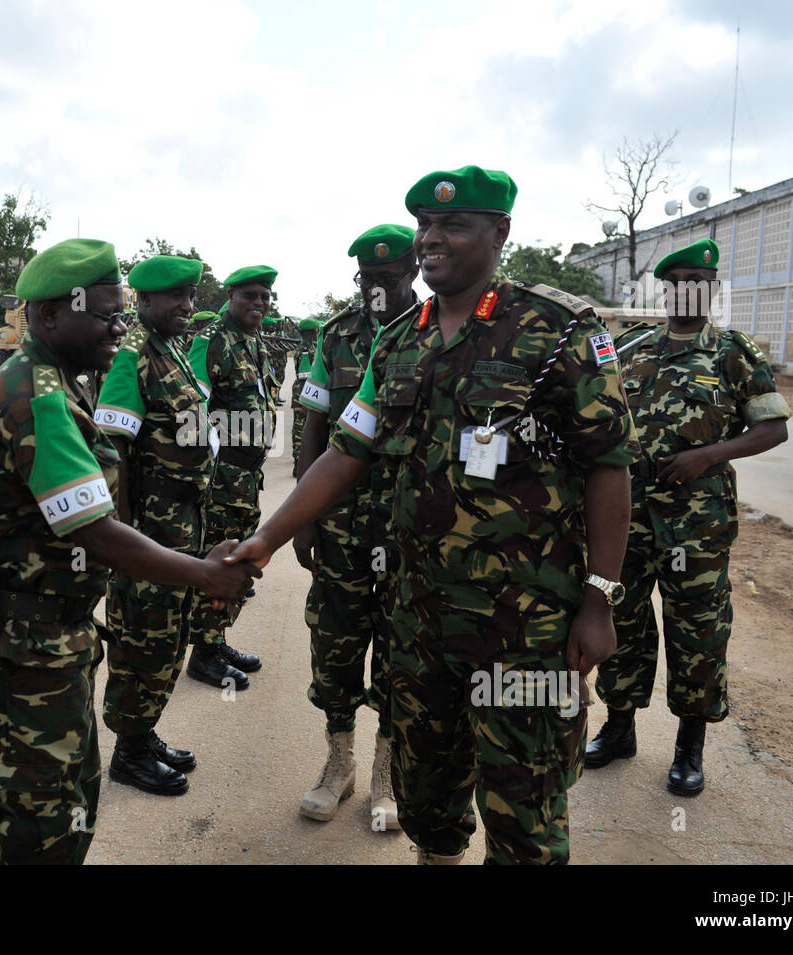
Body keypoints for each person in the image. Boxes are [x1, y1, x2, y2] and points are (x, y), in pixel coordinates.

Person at [228, 166, 636, 864]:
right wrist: (268, 536)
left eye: (453, 225)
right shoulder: (398, 343)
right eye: (425, 226)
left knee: (526, 814)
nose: (432, 239)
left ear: (499, 233)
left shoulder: (558, 328)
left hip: (526, 630)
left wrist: (599, 598)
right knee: (428, 803)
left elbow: (609, 464)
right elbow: (344, 452)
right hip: (419, 623)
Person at [0, 239, 257, 864]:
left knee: (67, 797)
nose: (117, 328)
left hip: (50, 629)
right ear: (49, 315)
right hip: (26, 640)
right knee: (39, 822)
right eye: (104, 315)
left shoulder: (59, 383)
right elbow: (94, 526)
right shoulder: (38, 396)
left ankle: (135, 742)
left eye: (121, 315)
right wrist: (202, 573)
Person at [587, 238, 790, 795]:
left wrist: (709, 454)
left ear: (713, 290)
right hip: (628, 522)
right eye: (678, 285)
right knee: (622, 623)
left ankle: (688, 748)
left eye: (700, 285)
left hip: (698, 527)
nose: (688, 294)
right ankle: (619, 728)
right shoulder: (629, 350)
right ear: (667, 289)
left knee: (697, 633)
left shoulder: (733, 351)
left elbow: (773, 428)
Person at [292, 224, 418, 828]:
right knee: (335, 641)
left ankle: (385, 772)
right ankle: (337, 762)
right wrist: (304, 514)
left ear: (412, 273)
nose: (374, 290)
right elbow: (314, 426)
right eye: (366, 279)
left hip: (408, 526)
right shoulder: (334, 335)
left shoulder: (436, 332)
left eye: (387, 280)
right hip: (341, 523)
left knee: (400, 647)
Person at [93, 254, 217, 796]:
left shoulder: (175, 352)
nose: (186, 306)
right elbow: (113, 453)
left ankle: (144, 735)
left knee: (169, 640)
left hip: (183, 523)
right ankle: (129, 752)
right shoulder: (133, 358)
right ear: (143, 302)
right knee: (144, 641)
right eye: (174, 298)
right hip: (149, 532)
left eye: (190, 296)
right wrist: (123, 543)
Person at [184, 266, 279, 691]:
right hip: (222, 476)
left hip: (247, 475)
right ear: (230, 296)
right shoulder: (211, 343)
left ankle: (216, 639)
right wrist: (204, 475)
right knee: (222, 558)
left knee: (239, 558)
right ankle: (203, 653)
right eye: (251, 296)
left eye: (265, 297)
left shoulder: (254, 342)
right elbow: (192, 414)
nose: (259, 303)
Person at [290, 317, 321, 474]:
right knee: (300, 429)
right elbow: (303, 377)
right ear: (312, 332)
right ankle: (298, 462)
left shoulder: (309, 347)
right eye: (316, 330)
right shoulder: (305, 350)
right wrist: (304, 402)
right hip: (302, 394)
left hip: (305, 393)